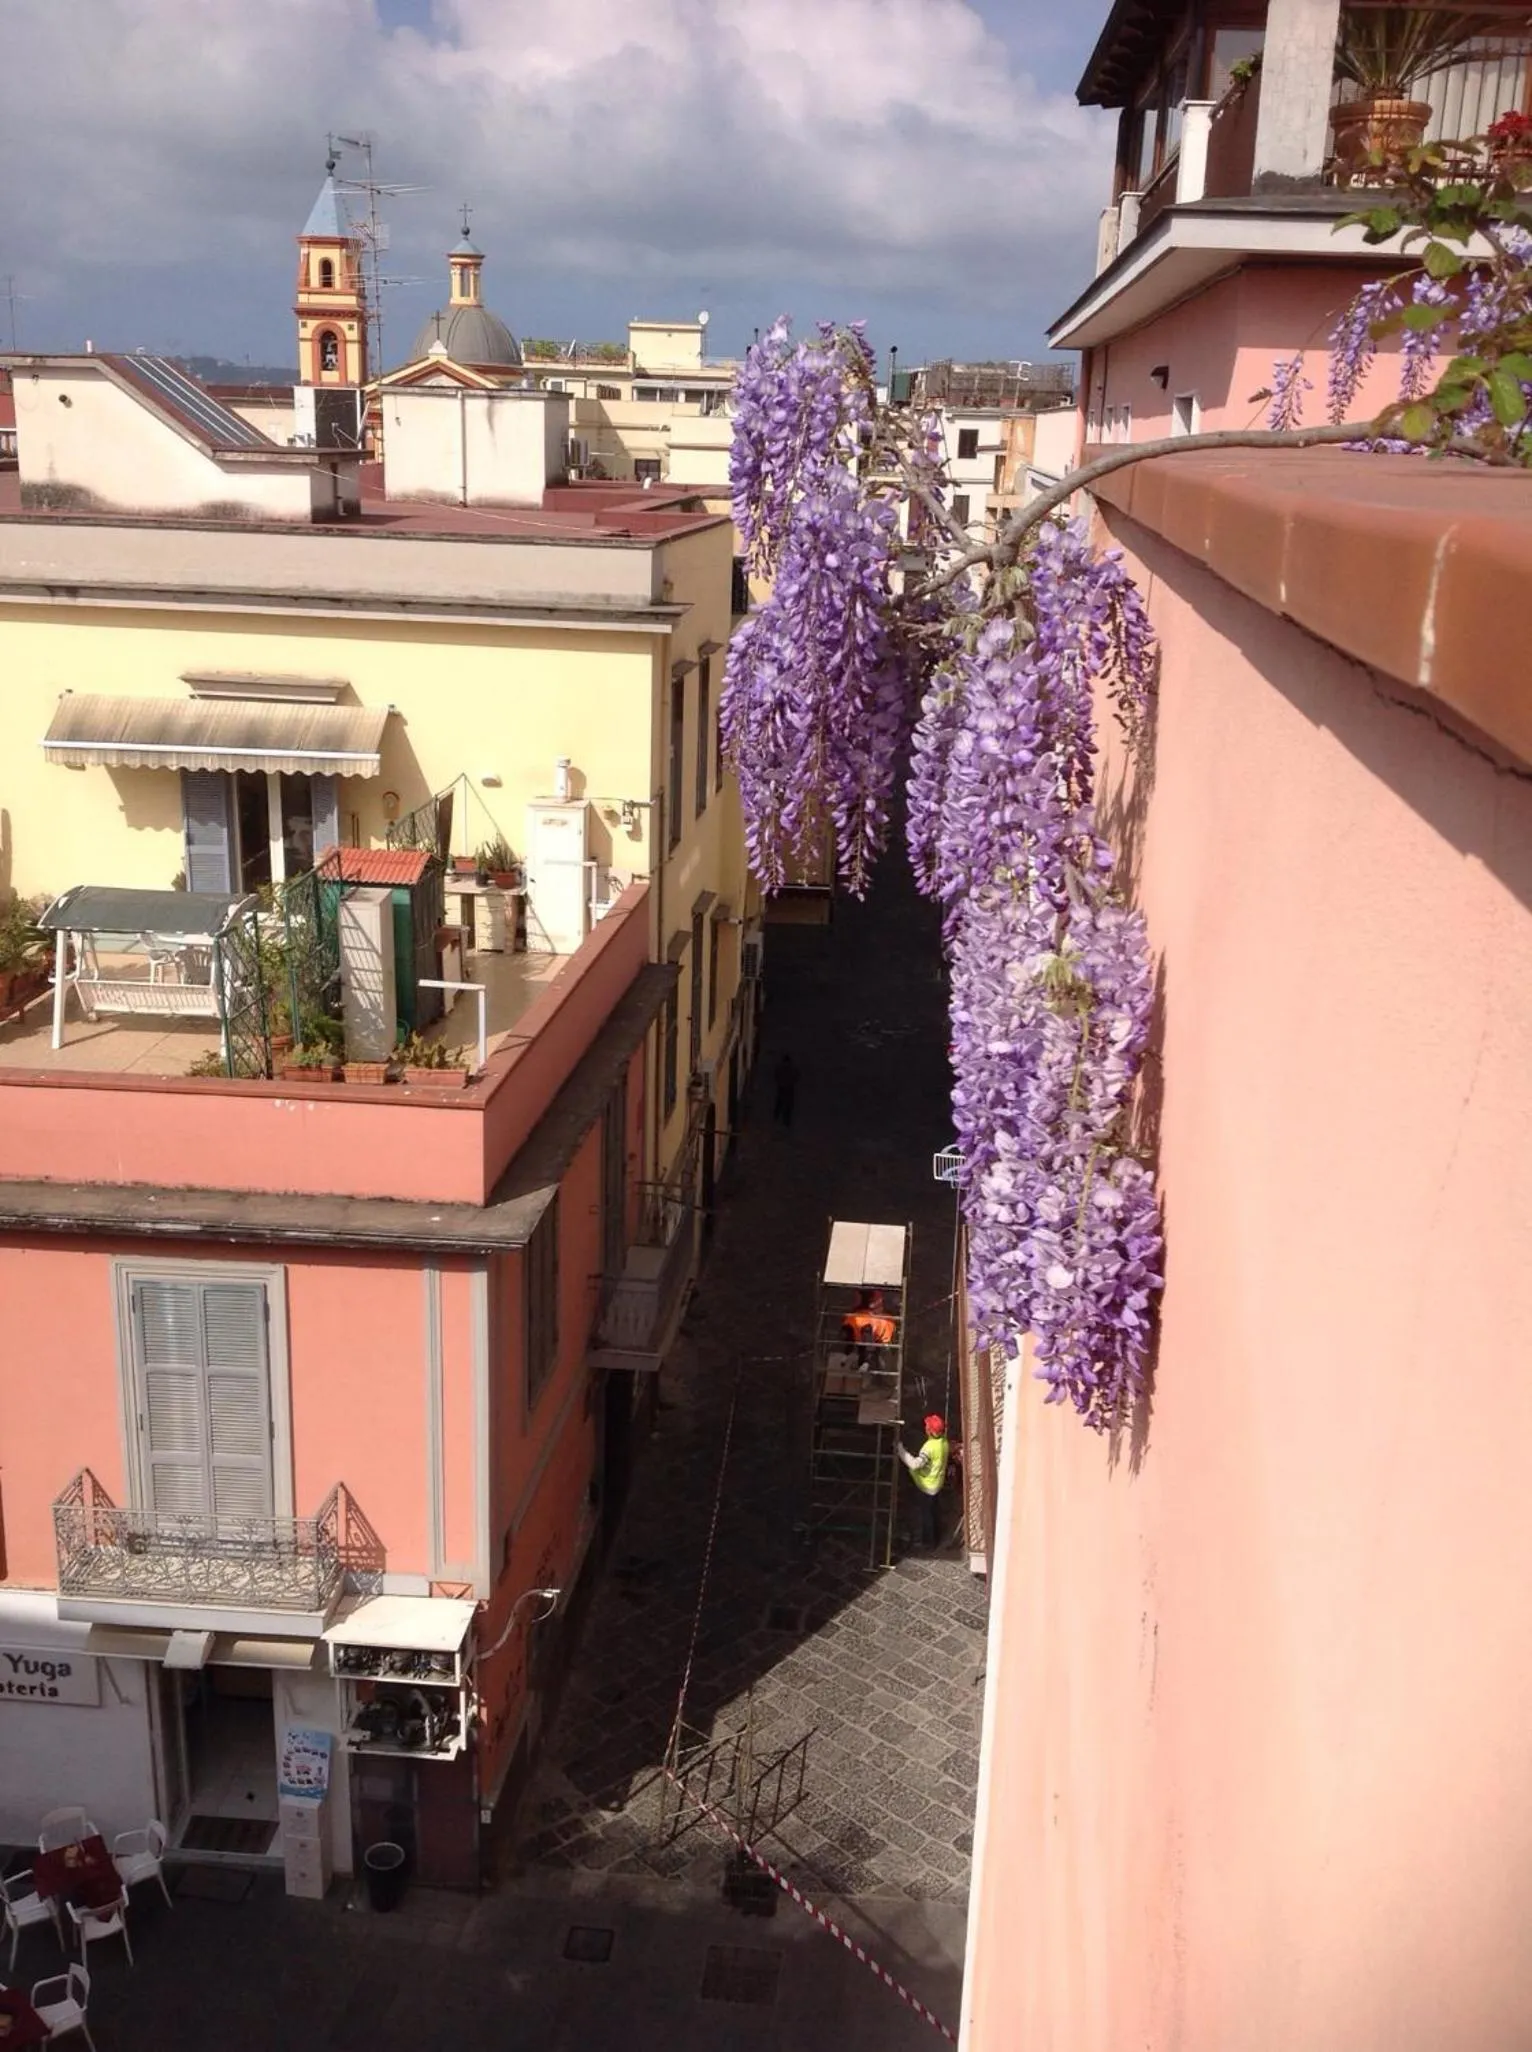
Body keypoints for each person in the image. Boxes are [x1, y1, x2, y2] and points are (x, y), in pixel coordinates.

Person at [898, 1412, 950, 1549]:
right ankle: (936, 1538)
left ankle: (929, 1543)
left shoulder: (930, 1448)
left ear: (930, 1431)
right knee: (934, 1512)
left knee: (926, 1514)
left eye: (927, 1426)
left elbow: (915, 1464)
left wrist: (901, 1451)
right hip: (937, 1483)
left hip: (926, 1485)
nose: (925, 1428)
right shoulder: (943, 1442)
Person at [841, 1287, 896, 1370]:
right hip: (865, 1320)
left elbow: (877, 1305)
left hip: (871, 1323)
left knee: (866, 1334)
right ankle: (862, 1361)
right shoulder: (856, 1316)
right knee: (860, 1335)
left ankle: (866, 1362)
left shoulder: (876, 1295)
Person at [772, 1052, 798, 1128]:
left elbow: (776, 1075)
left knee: (779, 1102)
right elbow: (796, 1076)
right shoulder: (792, 1068)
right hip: (789, 1088)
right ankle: (786, 1121)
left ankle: (776, 1116)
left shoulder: (779, 1067)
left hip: (782, 1087)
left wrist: (779, 1081)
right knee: (788, 1105)